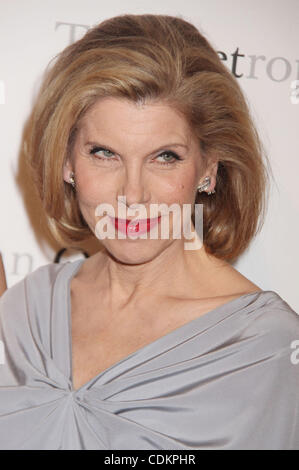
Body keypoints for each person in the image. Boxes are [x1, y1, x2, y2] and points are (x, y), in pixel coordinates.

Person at [0, 13, 298, 450]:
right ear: (67, 163)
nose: (132, 194)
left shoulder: (265, 350)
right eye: (104, 153)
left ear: (209, 169)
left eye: (165, 157)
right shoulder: (26, 310)